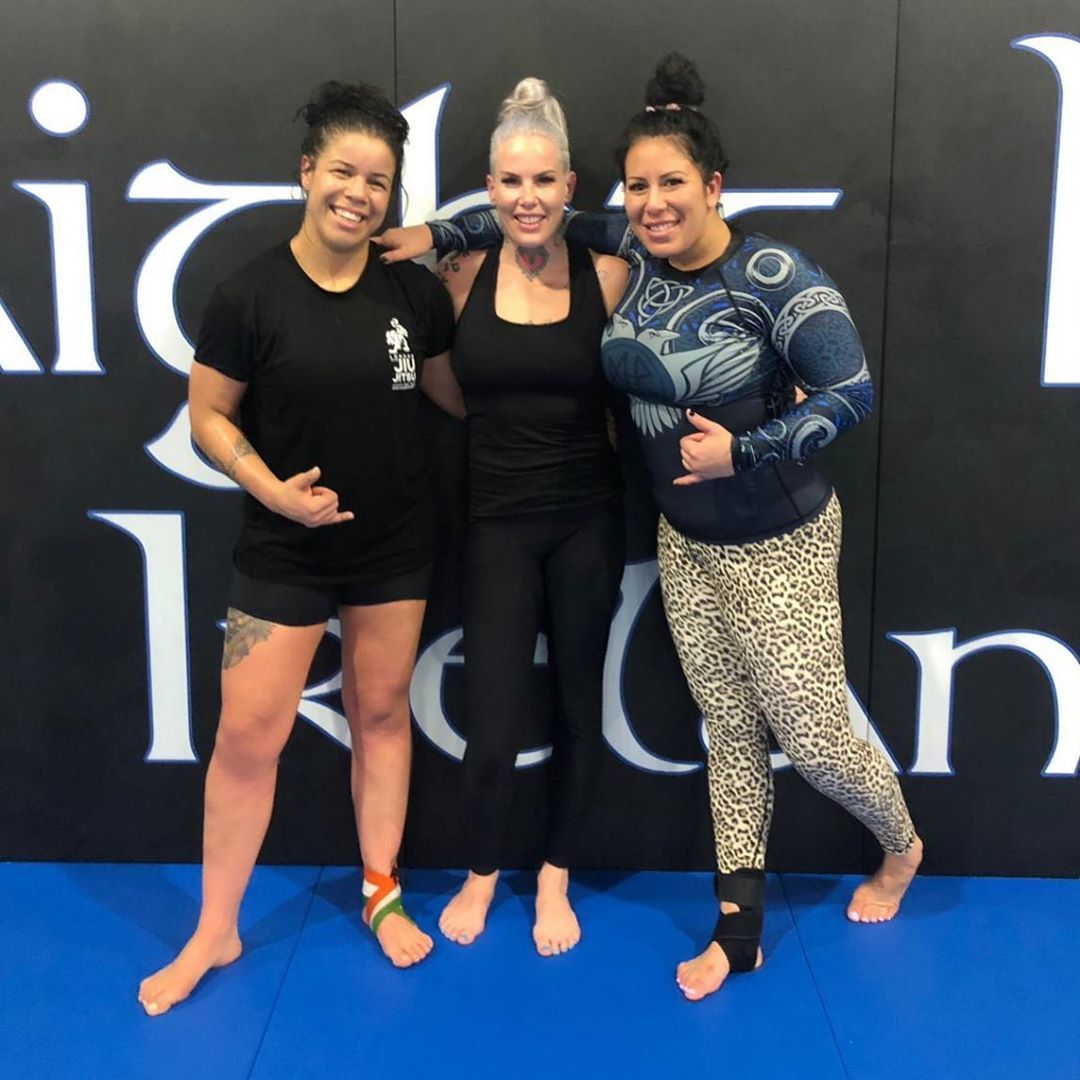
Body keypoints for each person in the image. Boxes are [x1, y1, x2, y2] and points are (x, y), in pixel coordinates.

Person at [378, 53, 922, 1001]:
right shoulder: (634, 253)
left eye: (673, 183)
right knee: (732, 735)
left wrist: (748, 450)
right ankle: (737, 930)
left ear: (714, 185)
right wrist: (435, 229)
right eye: (638, 187)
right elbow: (522, 215)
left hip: (779, 537)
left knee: (813, 736)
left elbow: (854, 390)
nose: (654, 203)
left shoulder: (772, 272)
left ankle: (903, 844)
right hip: (684, 540)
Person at [137, 80, 462, 1017]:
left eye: (379, 181)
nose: (359, 194)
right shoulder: (249, 294)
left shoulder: (412, 292)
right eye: (344, 173)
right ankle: (217, 928)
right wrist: (273, 489)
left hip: (393, 544)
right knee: (247, 738)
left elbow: (454, 396)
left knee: (382, 713)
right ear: (308, 172)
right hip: (284, 547)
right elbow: (208, 416)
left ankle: (381, 891)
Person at [433, 79, 628, 957]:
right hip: (496, 523)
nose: (527, 198)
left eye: (544, 180)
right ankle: (482, 870)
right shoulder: (461, 273)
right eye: (510, 182)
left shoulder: (609, 273)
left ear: (569, 185)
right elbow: (442, 382)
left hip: (587, 519)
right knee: (493, 722)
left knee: (579, 709)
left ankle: (554, 875)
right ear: (489, 188)